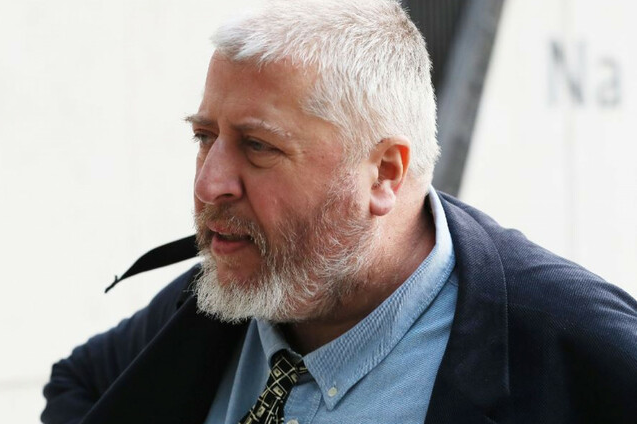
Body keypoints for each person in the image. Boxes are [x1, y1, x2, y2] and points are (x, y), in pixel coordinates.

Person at [41, 0, 637, 423]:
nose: (210, 182)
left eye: (258, 146)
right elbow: (80, 382)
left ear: (385, 173)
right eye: (205, 137)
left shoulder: (578, 347)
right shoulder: (220, 297)